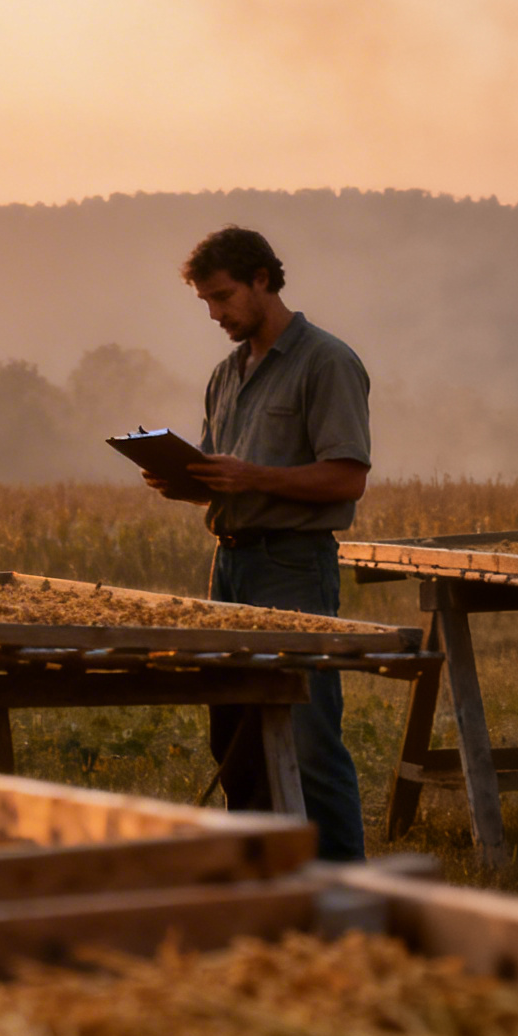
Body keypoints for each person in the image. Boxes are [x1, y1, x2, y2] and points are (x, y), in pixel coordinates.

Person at [143, 226, 370, 861]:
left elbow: (348, 475)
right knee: (237, 739)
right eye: (206, 303)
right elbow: (229, 483)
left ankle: (344, 888)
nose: (215, 314)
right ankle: (258, 880)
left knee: (307, 739)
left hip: (293, 568)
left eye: (222, 297)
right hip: (231, 565)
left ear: (263, 281)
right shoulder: (226, 375)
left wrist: (251, 476)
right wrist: (185, 483)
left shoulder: (327, 362)